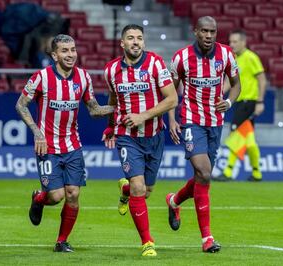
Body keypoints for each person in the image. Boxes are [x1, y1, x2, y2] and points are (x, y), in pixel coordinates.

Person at [15, 34, 114, 252]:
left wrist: (119, 109)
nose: (70, 55)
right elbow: (21, 105)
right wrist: (37, 133)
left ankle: (61, 241)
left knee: (73, 194)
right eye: (65, 51)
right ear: (54, 55)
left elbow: (94, 109)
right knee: (56, 196)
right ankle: (39, 198)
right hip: (47, 146)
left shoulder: (84, 77)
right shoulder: (41, 77)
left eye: (73, 50)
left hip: (73, 146)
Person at [165, 16, 241, 253]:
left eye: (213, 31)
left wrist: (228, 102)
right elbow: (171, 92)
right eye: (204, 31)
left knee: (202, 177)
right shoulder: (182, 58)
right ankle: (206, 238)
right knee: (205, 171)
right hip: (191, 121)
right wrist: (171, 119)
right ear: (195, 31)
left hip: (215, 122)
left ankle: (174, 200)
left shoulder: (227, 55)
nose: (209, 35)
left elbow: (236, 84)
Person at [102, 24, 178, 257]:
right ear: (122, 43)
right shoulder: (111, 70)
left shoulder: (155, 64)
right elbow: (113, 99)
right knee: (139, 186)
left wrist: (143, 116)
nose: (136, 42)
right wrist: (110, 127)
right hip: (128, 138)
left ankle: (124, 189)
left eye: (139, 38)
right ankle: (147, 242)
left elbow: (172, 99)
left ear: (143, 42)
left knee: (146, 190)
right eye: (130, 38)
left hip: (154, 136)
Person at [213, 29, 267, 182]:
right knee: (248, 139)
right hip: (239, 103)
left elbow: (262, 80)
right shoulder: (234, 59)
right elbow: (231, 81)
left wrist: (260, 101)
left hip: (249, 103)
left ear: (244, 42)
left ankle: (228, 172)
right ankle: (257, 173)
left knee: (235, 134)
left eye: (235, 41)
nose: (232, 44)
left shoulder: (251, 57)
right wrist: (218, 94)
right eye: (230, 41)